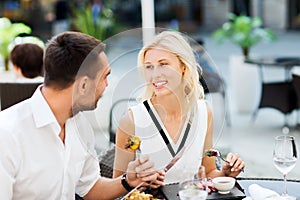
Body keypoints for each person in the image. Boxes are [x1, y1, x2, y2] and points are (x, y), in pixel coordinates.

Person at [0, 31, 158, 199]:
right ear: (83, 85)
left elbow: (90, 188)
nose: (106, 85)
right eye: (105, 77)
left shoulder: (80, 125)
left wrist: (128, 181)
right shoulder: (7, 135)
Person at [113, 31, 245, 185]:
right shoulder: (132, 120)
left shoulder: (203, 113)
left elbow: (208, 172)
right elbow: (118, 186)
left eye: (163, 64)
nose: (155, 74)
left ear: (183, 67)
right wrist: (139, 182)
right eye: (149, 67)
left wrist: (226, 173)